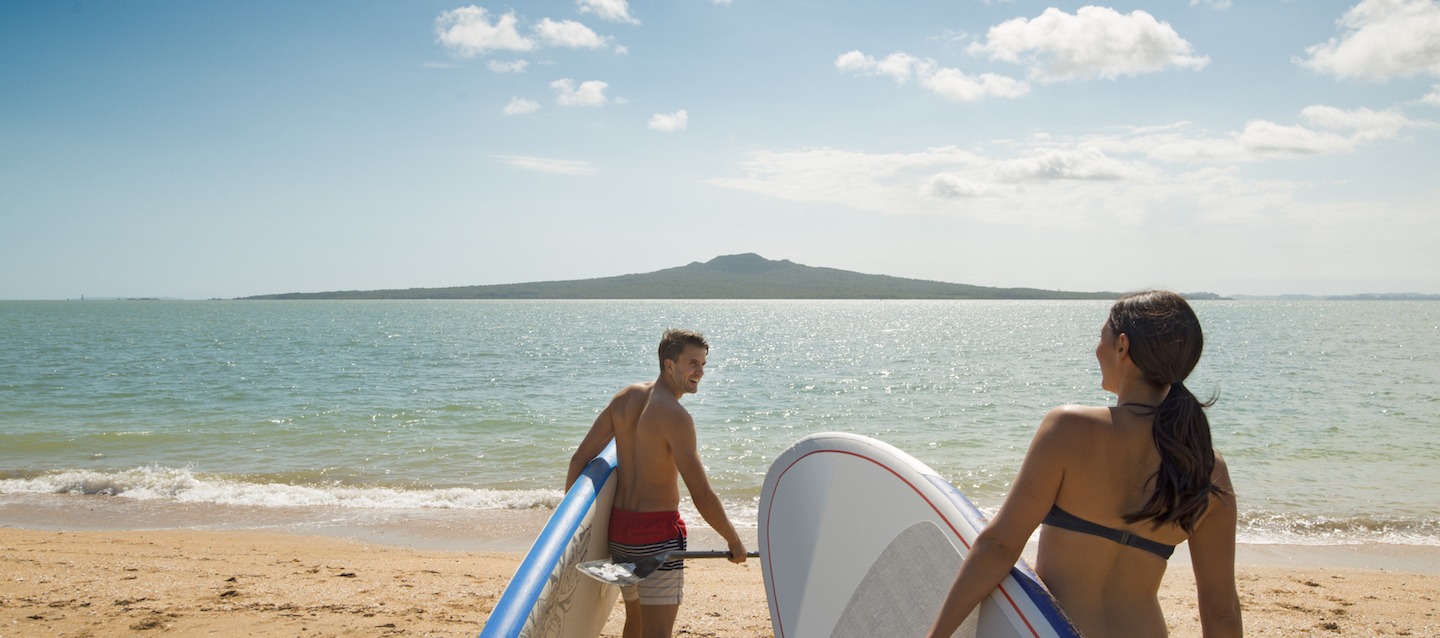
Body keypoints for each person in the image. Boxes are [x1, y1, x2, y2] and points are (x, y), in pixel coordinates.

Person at [927, 290, 1243, 638]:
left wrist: (937, 635)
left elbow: (999, 546)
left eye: (1101, 336)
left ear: (1122, 346)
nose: (1097, 348)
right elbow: (1221, 610)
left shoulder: (1068, 428)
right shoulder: (1208, 467)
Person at [566, 329, 748, 638]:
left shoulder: (624, 398)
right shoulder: (675, 416)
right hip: (656, 540)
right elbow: (701, 494)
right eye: (692, 363)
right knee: (658, 632)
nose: (700, 372)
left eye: (703, 364)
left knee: (635, 623)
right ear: (669, 365)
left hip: (620, 534)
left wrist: (571, 532)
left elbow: (578, 460)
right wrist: (734, 541)